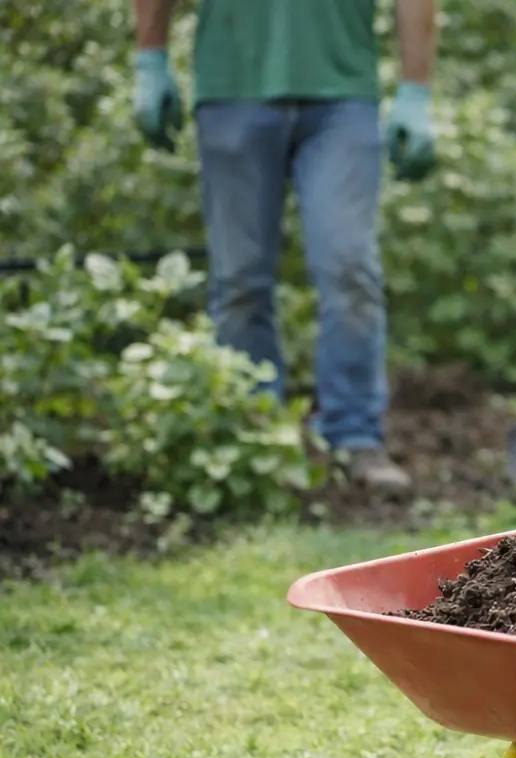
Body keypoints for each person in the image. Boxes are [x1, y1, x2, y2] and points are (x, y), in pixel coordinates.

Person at [129, 0, 441, 491]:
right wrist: (150, 58)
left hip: (342, 91)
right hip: (232, 84)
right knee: (239, 280)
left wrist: (416, 89)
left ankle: (354, 436)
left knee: (349, 266)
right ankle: (254, 441)